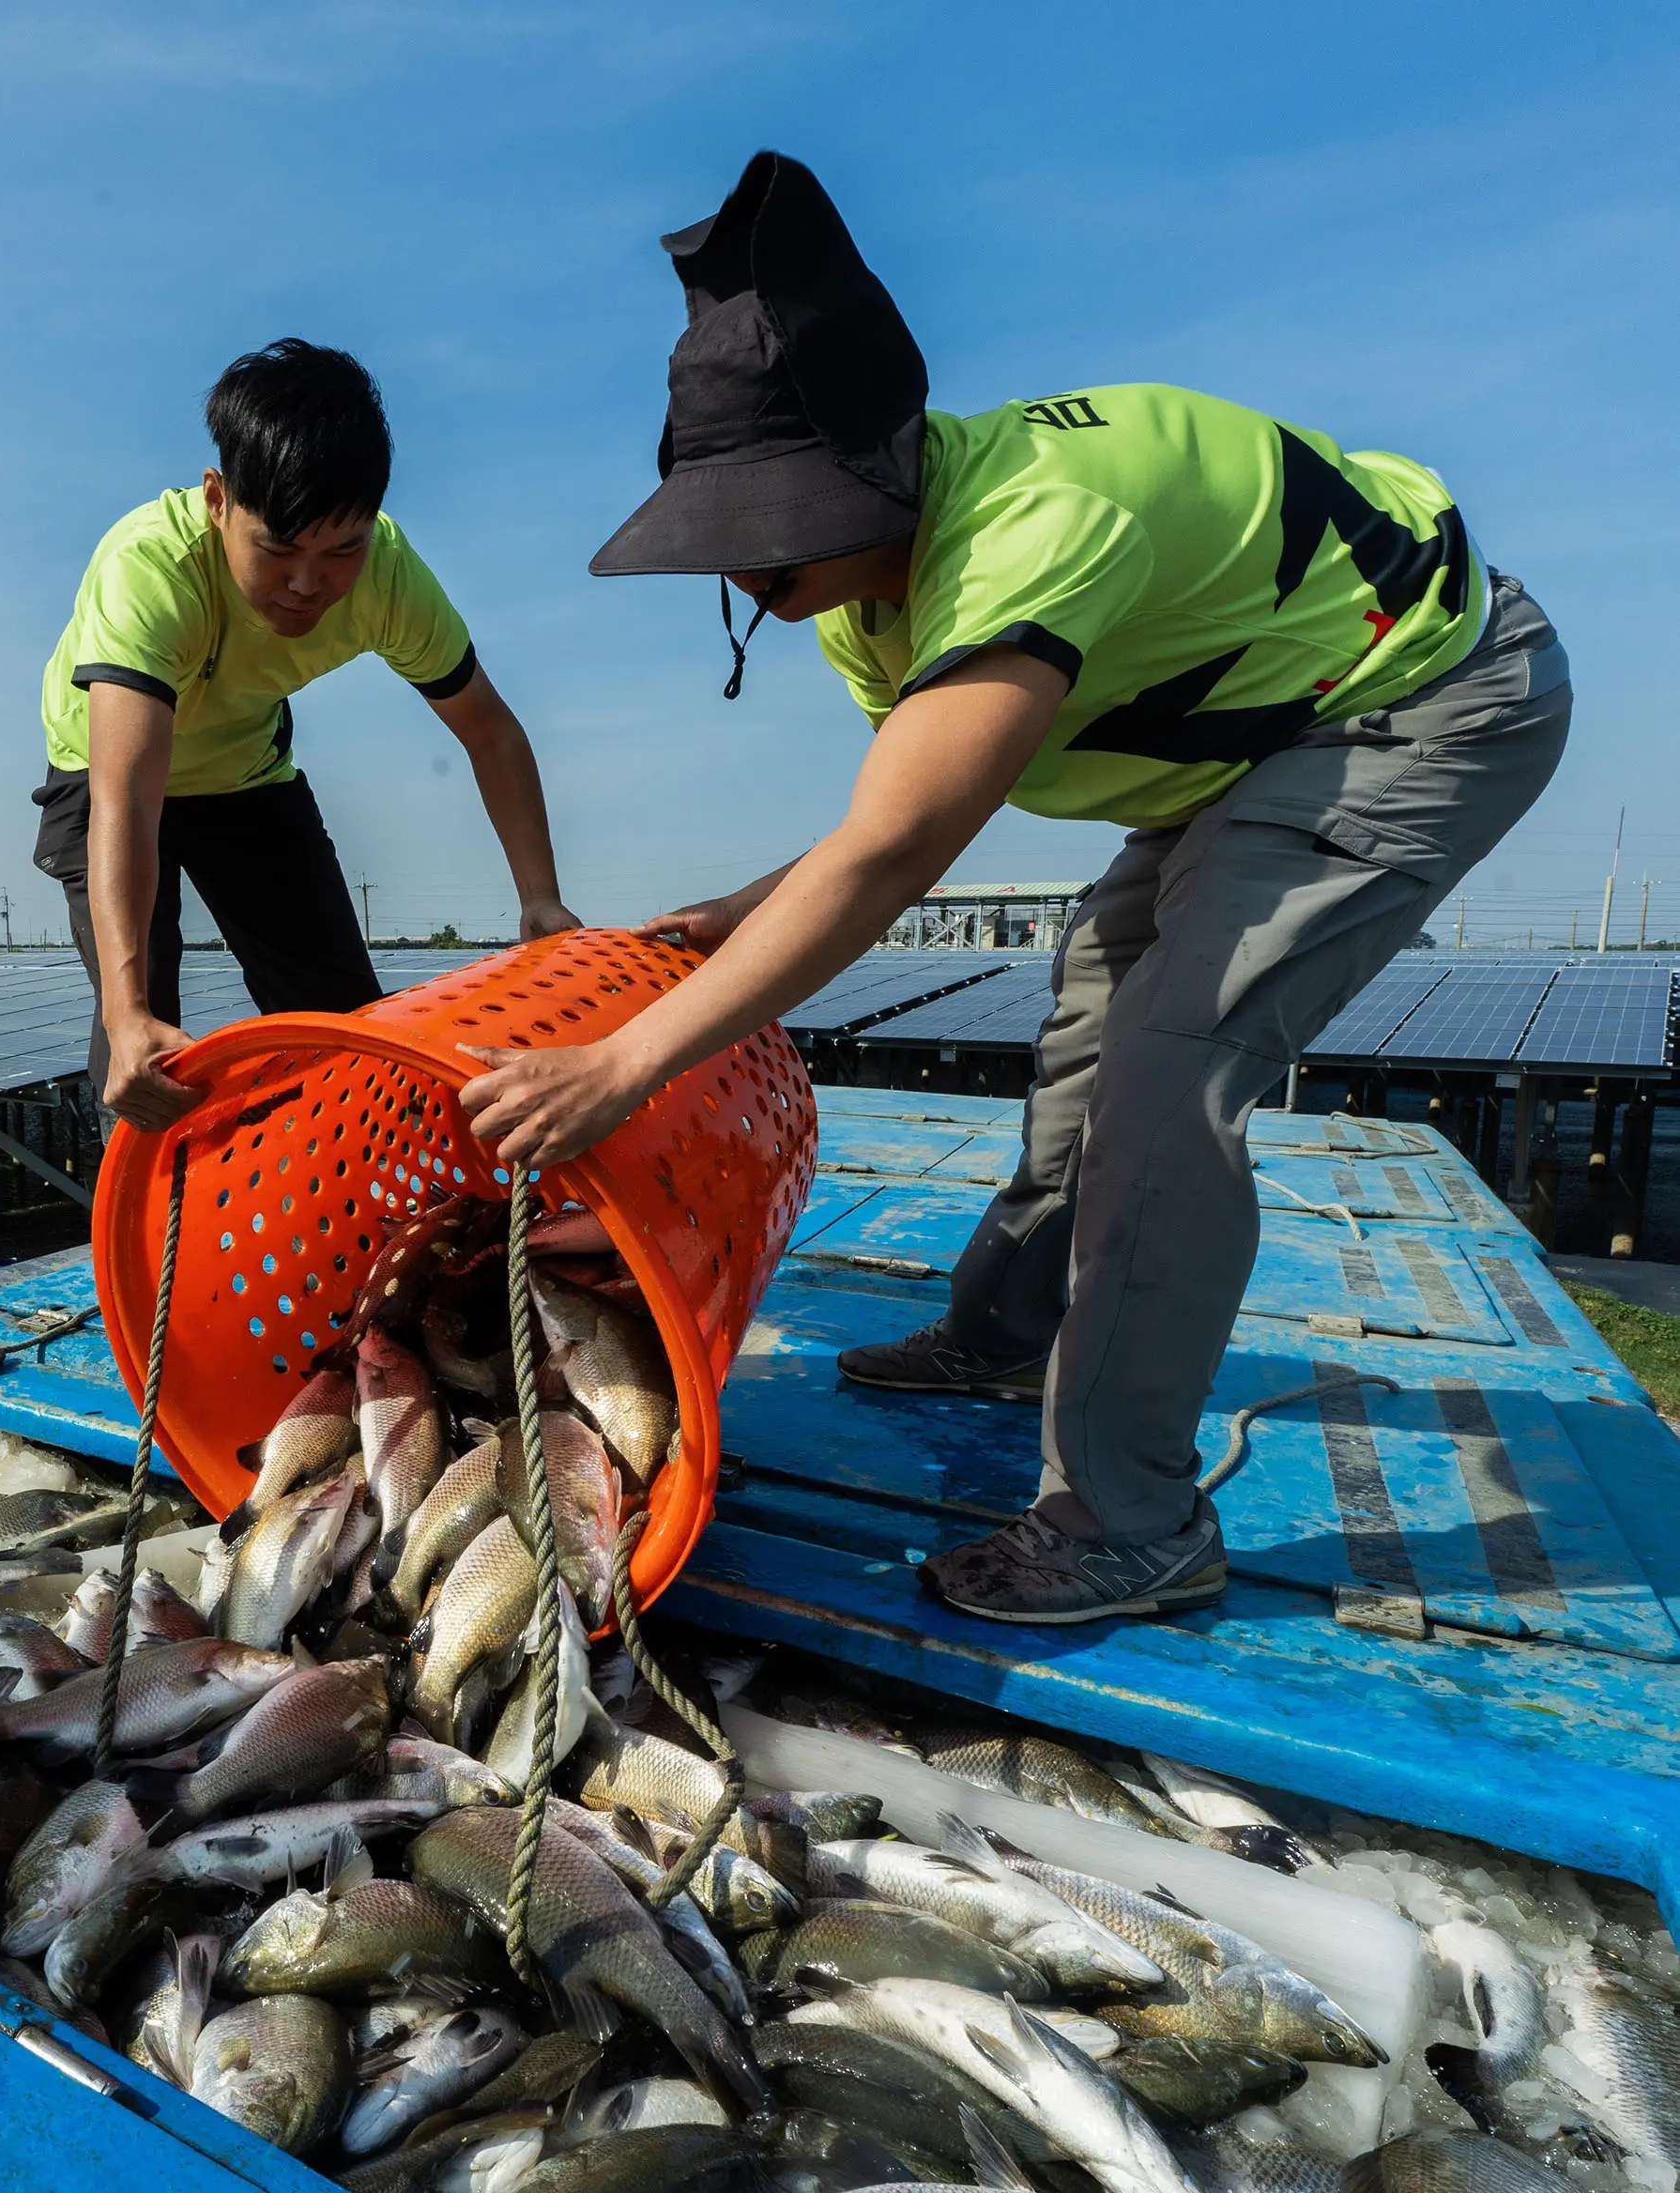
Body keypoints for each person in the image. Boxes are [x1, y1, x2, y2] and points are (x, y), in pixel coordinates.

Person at [457, 152, 1569, 1626]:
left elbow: (897, 849)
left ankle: (1129, 1522)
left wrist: (623, 1063)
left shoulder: (1032, 527)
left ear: (875, 473)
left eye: (772, 526)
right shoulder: (860, 595)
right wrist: (733, 909)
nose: (751, 571)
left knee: (1165, 1082)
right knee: (1087, 1027)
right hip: (1228, 745)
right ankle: (1002, 1334)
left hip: (1403, 696)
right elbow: (907, 803)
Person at [33, 339, 578, 1131]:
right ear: (217, 499)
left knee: (352, 1036)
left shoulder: (390, 577)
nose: (306, 584)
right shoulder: (149, 569)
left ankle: (372, 1219)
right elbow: (127, 801)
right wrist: (125, 1012)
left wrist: (541, 901)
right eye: (278, 550)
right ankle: (153, 1235)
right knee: (144, 1046)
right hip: (106, 777)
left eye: (340, 550)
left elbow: (489, 732)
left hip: (246, 776)